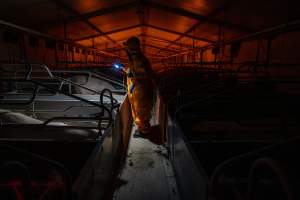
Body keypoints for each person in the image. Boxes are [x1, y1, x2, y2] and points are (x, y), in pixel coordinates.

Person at [122, 36, 155, 135]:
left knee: (141, 111)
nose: (125, 49)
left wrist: (133, 80)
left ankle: (144, 132)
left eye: (127, 47)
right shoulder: (134, 58)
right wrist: (128, 71)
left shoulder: (138, 59)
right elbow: (135, 71)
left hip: (140, 89)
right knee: (138, 110)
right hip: (138, 89)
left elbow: (142, 75)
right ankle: (141, 128)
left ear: (131, 47)